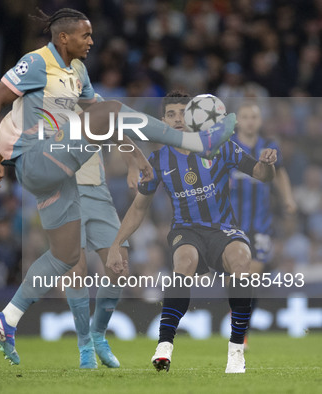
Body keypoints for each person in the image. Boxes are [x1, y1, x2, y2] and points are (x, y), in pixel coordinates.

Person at [0, 8, 235, 365]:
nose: (92, 41)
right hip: (37, 159)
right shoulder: (35, 63)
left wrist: (136, 158)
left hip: (60, 173)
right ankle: (195, 143)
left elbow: (106, 122)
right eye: (85, 35)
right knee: (110, 107)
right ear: (63, 37)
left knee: (63, 256)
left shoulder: (77, 72)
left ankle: (8, 318)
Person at [106, 91, 277, 374]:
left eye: (183, 113)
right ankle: (164, 346)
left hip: (224, 230)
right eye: (170, 114)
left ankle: (236, 352)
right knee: (183, 262)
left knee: (242, 262)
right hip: (186, 230)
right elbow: (138, 209)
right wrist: (117, 243)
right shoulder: (158, 160)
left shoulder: (221, 147)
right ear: (162, 121)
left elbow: (260, 173)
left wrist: (268, 164)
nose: (177, 119)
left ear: (196, 116)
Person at [229, 102, 297, 347]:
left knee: (250, 277)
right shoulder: (229, 145)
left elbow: (281, 173)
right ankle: (240, 323)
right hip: (232, 222)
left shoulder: (269, 146)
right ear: (238, 121)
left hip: (260, 223)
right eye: (245, 116)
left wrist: (288, 198)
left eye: (253, 117)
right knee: (239, 276)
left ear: (259, 121)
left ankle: (240, 325)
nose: (249, 121)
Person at [64, 146, 134, 369]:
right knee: (76, 270)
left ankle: (98, 335)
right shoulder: (46, 111)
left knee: (119, 267)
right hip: (64, 190)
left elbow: (115, 128)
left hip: (97, 190)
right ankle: (85, 346)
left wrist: (132, 164)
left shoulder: (94, 109)